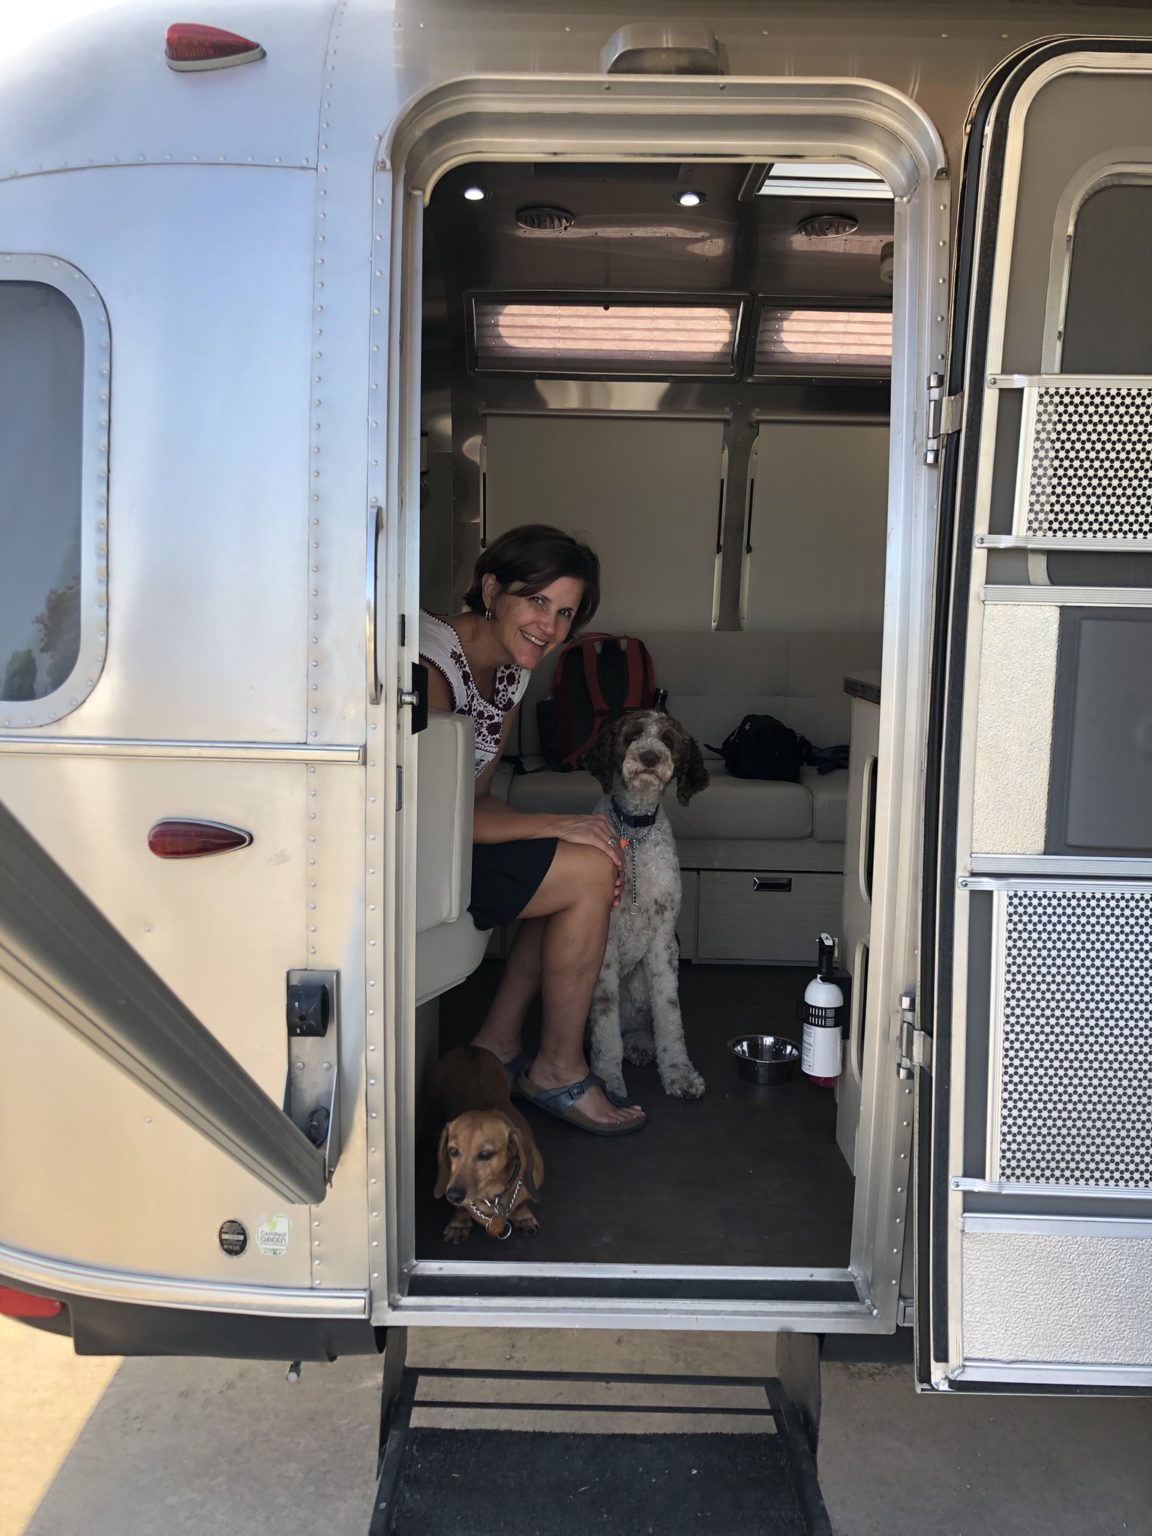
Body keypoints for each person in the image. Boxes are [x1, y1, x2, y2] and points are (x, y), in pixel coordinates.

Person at [420, 524, 645, 1136]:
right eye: (537, 601)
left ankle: (497, 1043)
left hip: (449, 840)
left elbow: (475, 799)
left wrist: (562, 833)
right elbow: (434, 816)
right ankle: (556, 1070)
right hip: (413, 856)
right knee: (587, 867)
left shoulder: (511, 671)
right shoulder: (429, 664)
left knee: (582, 859)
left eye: (565, 613)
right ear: (492, 589)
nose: (549, 626)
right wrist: (558, 825)